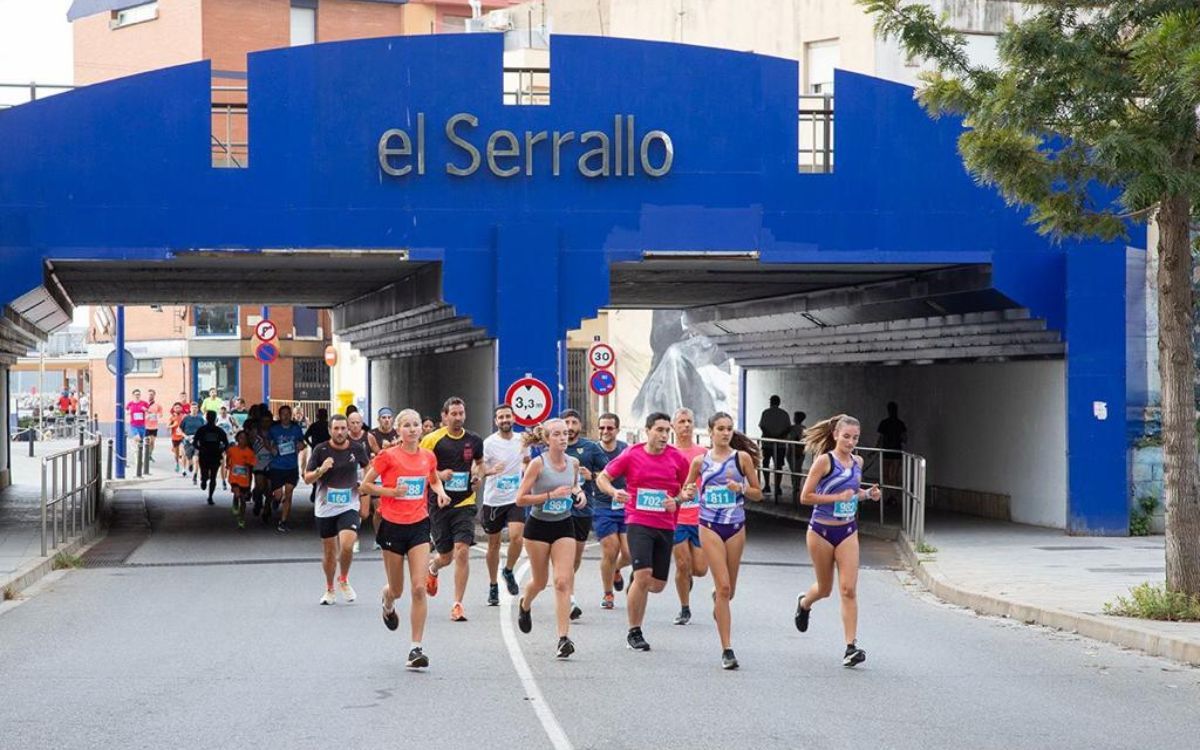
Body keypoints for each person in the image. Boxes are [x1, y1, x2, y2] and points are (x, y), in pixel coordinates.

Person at [360, 409, 452, 670]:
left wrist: (441, 493)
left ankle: (416, 648)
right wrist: (391, 491)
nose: (412, 429)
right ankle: (387, 603)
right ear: (398, 431)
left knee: (419, 587)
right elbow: (365, 486)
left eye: (415, 425)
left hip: (419, 525)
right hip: (391, 527)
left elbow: (433, 480)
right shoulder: (387, 456)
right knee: (397, 589)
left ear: (421, 430)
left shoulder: (428, 457)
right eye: (407, 426)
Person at [595, 412, 693, 652]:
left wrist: (678, 499)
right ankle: (634, 631)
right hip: (638, 521)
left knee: (656, 585)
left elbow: (690, 489)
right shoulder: (632, 454)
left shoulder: (677, 459)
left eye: (666, 431)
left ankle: (636, 581)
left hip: (666, 524)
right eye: (659, 430)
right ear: (647, 430)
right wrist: (613, 492)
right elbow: (603, 477)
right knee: (644, 575)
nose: (663, 435)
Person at [794, 414, 881, 668]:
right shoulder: (824, 462)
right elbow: (805, 497)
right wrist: (836, 498)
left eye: (855, 438)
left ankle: (851, 647)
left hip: (847, 531)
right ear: (835, 435)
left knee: (848, 589)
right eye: (846, 437)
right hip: (821, 531)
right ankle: (804, 603)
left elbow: (852, 495)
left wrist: (868, 494)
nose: (851, 442)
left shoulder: (858, 461)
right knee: (824, 589)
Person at [683, 412, 762, 669]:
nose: (725, 433)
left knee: (729, 591)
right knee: (725, 588)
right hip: (709, 526)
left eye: (729, 429)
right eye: (720, 428)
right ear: (710, 432)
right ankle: (727, 649)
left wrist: (740, 489)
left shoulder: (742, 458)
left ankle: (718, 599)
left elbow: (758, 493)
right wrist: (689, 491)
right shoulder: (700, 461)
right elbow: (686, 490)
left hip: (735, 526)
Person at [515, 418, 587, 659]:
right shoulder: (538, 464)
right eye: (557, 434)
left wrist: (579, 494)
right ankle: (525, 603)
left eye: (565, 433)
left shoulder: (573, 463)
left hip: (564, 524)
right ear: (546, 439)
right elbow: (520, 499)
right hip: (538, 527)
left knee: (562, 582)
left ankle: (563, 638)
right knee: (539, 580)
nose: (563, 438)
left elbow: (575, 486)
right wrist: (549, 495)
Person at [420, 396, 485, 623]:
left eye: (461, 414)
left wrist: (478, 475)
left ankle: (457, 604)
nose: (458, 418)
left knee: (462, 550)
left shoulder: (474, 439)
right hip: (439, 503)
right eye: (453, 414)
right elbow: (420, 468)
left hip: (465, 502)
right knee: (446, 556)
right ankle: (434, 567)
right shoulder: (431, 440)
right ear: (444, 416)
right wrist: (440, 476)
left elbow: (480, 462)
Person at [305, 414, 371, 606]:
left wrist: (365, 487)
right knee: (329, 552)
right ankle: (329, 588)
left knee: (348, 544)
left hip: (349, 504)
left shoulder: (357, 448)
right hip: (325, 507)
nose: (340, 432)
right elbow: (307, 478)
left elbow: (369, 467)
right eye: (337, 428)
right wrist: (321, 470)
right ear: (330, 430)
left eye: (343, 428)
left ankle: (343, 578)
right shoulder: (320, 450)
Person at [480, 404, 527, 606]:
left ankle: (508, 570)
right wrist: (491, 470)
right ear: (496, 421)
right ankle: (493, 585)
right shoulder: (489, 443)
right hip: (494, 500)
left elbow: (526, 460)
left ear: (514, 418)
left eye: (508, 416)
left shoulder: (522, 440)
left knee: (517, 538)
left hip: (514, 498)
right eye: (501, 417)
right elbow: (478, 468)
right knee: (494, 544)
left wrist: (525, 469)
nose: (505, 420)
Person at [582, 413, 629, 610]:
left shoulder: (625, 449)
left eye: (610, 428)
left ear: (617, 430)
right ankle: (608, 593)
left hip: (626, 505)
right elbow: (587, 475)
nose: (605, 432)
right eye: (602, 428)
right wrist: (592, 475)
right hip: (602, 505)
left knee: (628, 552)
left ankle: (616, 569)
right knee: (611, 549)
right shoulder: (592, 450)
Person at [670, 407, 709, 626]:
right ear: (673, 426)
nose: (686, 425)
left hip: (700, 517)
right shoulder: (669, 452)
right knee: (682, 564)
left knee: (700, 569)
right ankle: (685, 608)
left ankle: (687, 579)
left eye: (689, 421)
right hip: (677, 518)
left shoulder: (703, 453)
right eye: (681, 421)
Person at [561, 409, 595, 621]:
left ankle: (564, 585)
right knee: (565, 556)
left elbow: (609, 473)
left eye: (574, 422)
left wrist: (592, 476)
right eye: (567, 422)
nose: (570, 426)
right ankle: (569, 597)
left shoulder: (590, 448)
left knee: (575, 557)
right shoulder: (553, 447)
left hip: (583, 509)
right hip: (559, 510)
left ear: (579, 426)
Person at [268, 404, 306, 533]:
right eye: (283, 414)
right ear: (279, 416)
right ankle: (275, 500)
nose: (285, 416)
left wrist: (301, 446)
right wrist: (271, 449)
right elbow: (267, 441)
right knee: (279, 495)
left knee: (289, 494)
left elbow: (302, 443)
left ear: (291, 415)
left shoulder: (296, 429)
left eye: (287, 414)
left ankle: (283, 521)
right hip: (277, 466)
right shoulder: (274, 429)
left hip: (291, 466)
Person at [193, 410, 230, 506]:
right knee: (210, 475)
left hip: (211, 455)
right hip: (210, 455)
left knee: (212, 476)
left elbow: (226, 443)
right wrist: (222, 449)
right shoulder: (215, 430)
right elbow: (226, 443)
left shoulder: (204, 430)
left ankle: (210, 496)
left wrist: (200, 448)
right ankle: (205, 482)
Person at [758, 395, 790, 498]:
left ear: (771, 402)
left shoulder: (766, 413)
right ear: (779, 402)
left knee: (765, 464)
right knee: (779, 466)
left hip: (767, 443)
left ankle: (767, 485)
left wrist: (770, 435)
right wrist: (778, 436)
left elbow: (762, 426)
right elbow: (787, 428)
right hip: (780, 444)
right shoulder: (784, 414)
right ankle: (778, 487)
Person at [877, 402, 907, 502]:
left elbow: (880, 439)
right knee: (893, 476)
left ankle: (889, 496)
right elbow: (905, 439)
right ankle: (892, 496)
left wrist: (876, 449)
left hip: (887, 451)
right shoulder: (900, 424)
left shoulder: (884, 423)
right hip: (896, 452)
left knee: (886, 475)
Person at [226, 430, 257, 528]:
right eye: (240, 438)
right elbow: (228, 457)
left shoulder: (250, 452)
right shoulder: (232, 450)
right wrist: (228, 464)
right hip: (234, 478)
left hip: (244, 480)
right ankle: (235, 503)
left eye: (245, 439)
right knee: (237, 493)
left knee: (243, 500)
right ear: (237, 439)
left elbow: (252, 464)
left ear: (248, 440)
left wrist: (248, 464)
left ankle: (241, 518)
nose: (242, 440)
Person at [304, 408, 331, 504]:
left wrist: (311, 444)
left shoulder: (314, 426)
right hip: (328, 452)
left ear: (317, 416)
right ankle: (321, 488)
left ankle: (315, 487)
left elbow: (305, 436)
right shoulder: (329, 426)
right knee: (327, 470)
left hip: (316, 450)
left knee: (315, 470)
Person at [179, 403, 206, 483]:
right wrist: (185, 436)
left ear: (198, 409)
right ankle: (190, 464)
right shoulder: (186, 418)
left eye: (196, 408)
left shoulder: (200, 418)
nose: (194, 409)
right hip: (187, 439)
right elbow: (180, 429)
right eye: (193, 408)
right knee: (189, 457)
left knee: (197, 458)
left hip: (197, 440)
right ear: (190, 409)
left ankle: (195, 475)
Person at [786, 411, 807, 493]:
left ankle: (795, 486)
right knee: (797, 469)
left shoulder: (793, 428)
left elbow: (798, 440)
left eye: (795, 417)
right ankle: (796, 485)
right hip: (797, 451)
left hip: (794, 451)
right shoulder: (803, 428)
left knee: (794, 469)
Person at [144, 389, 163, 461]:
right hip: (146, 426)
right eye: (149, 394)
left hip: (154, 426)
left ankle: (149, 454)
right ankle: (146, 454)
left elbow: (160, 414)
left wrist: (157, 415)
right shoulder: (144, 404)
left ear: (154, 395)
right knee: (147, 441)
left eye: (152, 394)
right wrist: (146, 416)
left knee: (152, 442)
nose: (150, 396)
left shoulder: (157, 405)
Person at [167, 403, 186, 474]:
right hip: (175, 437)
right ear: (174, 409)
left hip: (182, 436)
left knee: (183, 451)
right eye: (176, 408)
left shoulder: (184, 417)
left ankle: (183, 469)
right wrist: (173, 425)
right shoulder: (172, 417)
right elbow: (167, 426)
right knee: (176, 454)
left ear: (181, 408)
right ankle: (177, 463)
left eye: (179, 407)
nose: (177, 409)